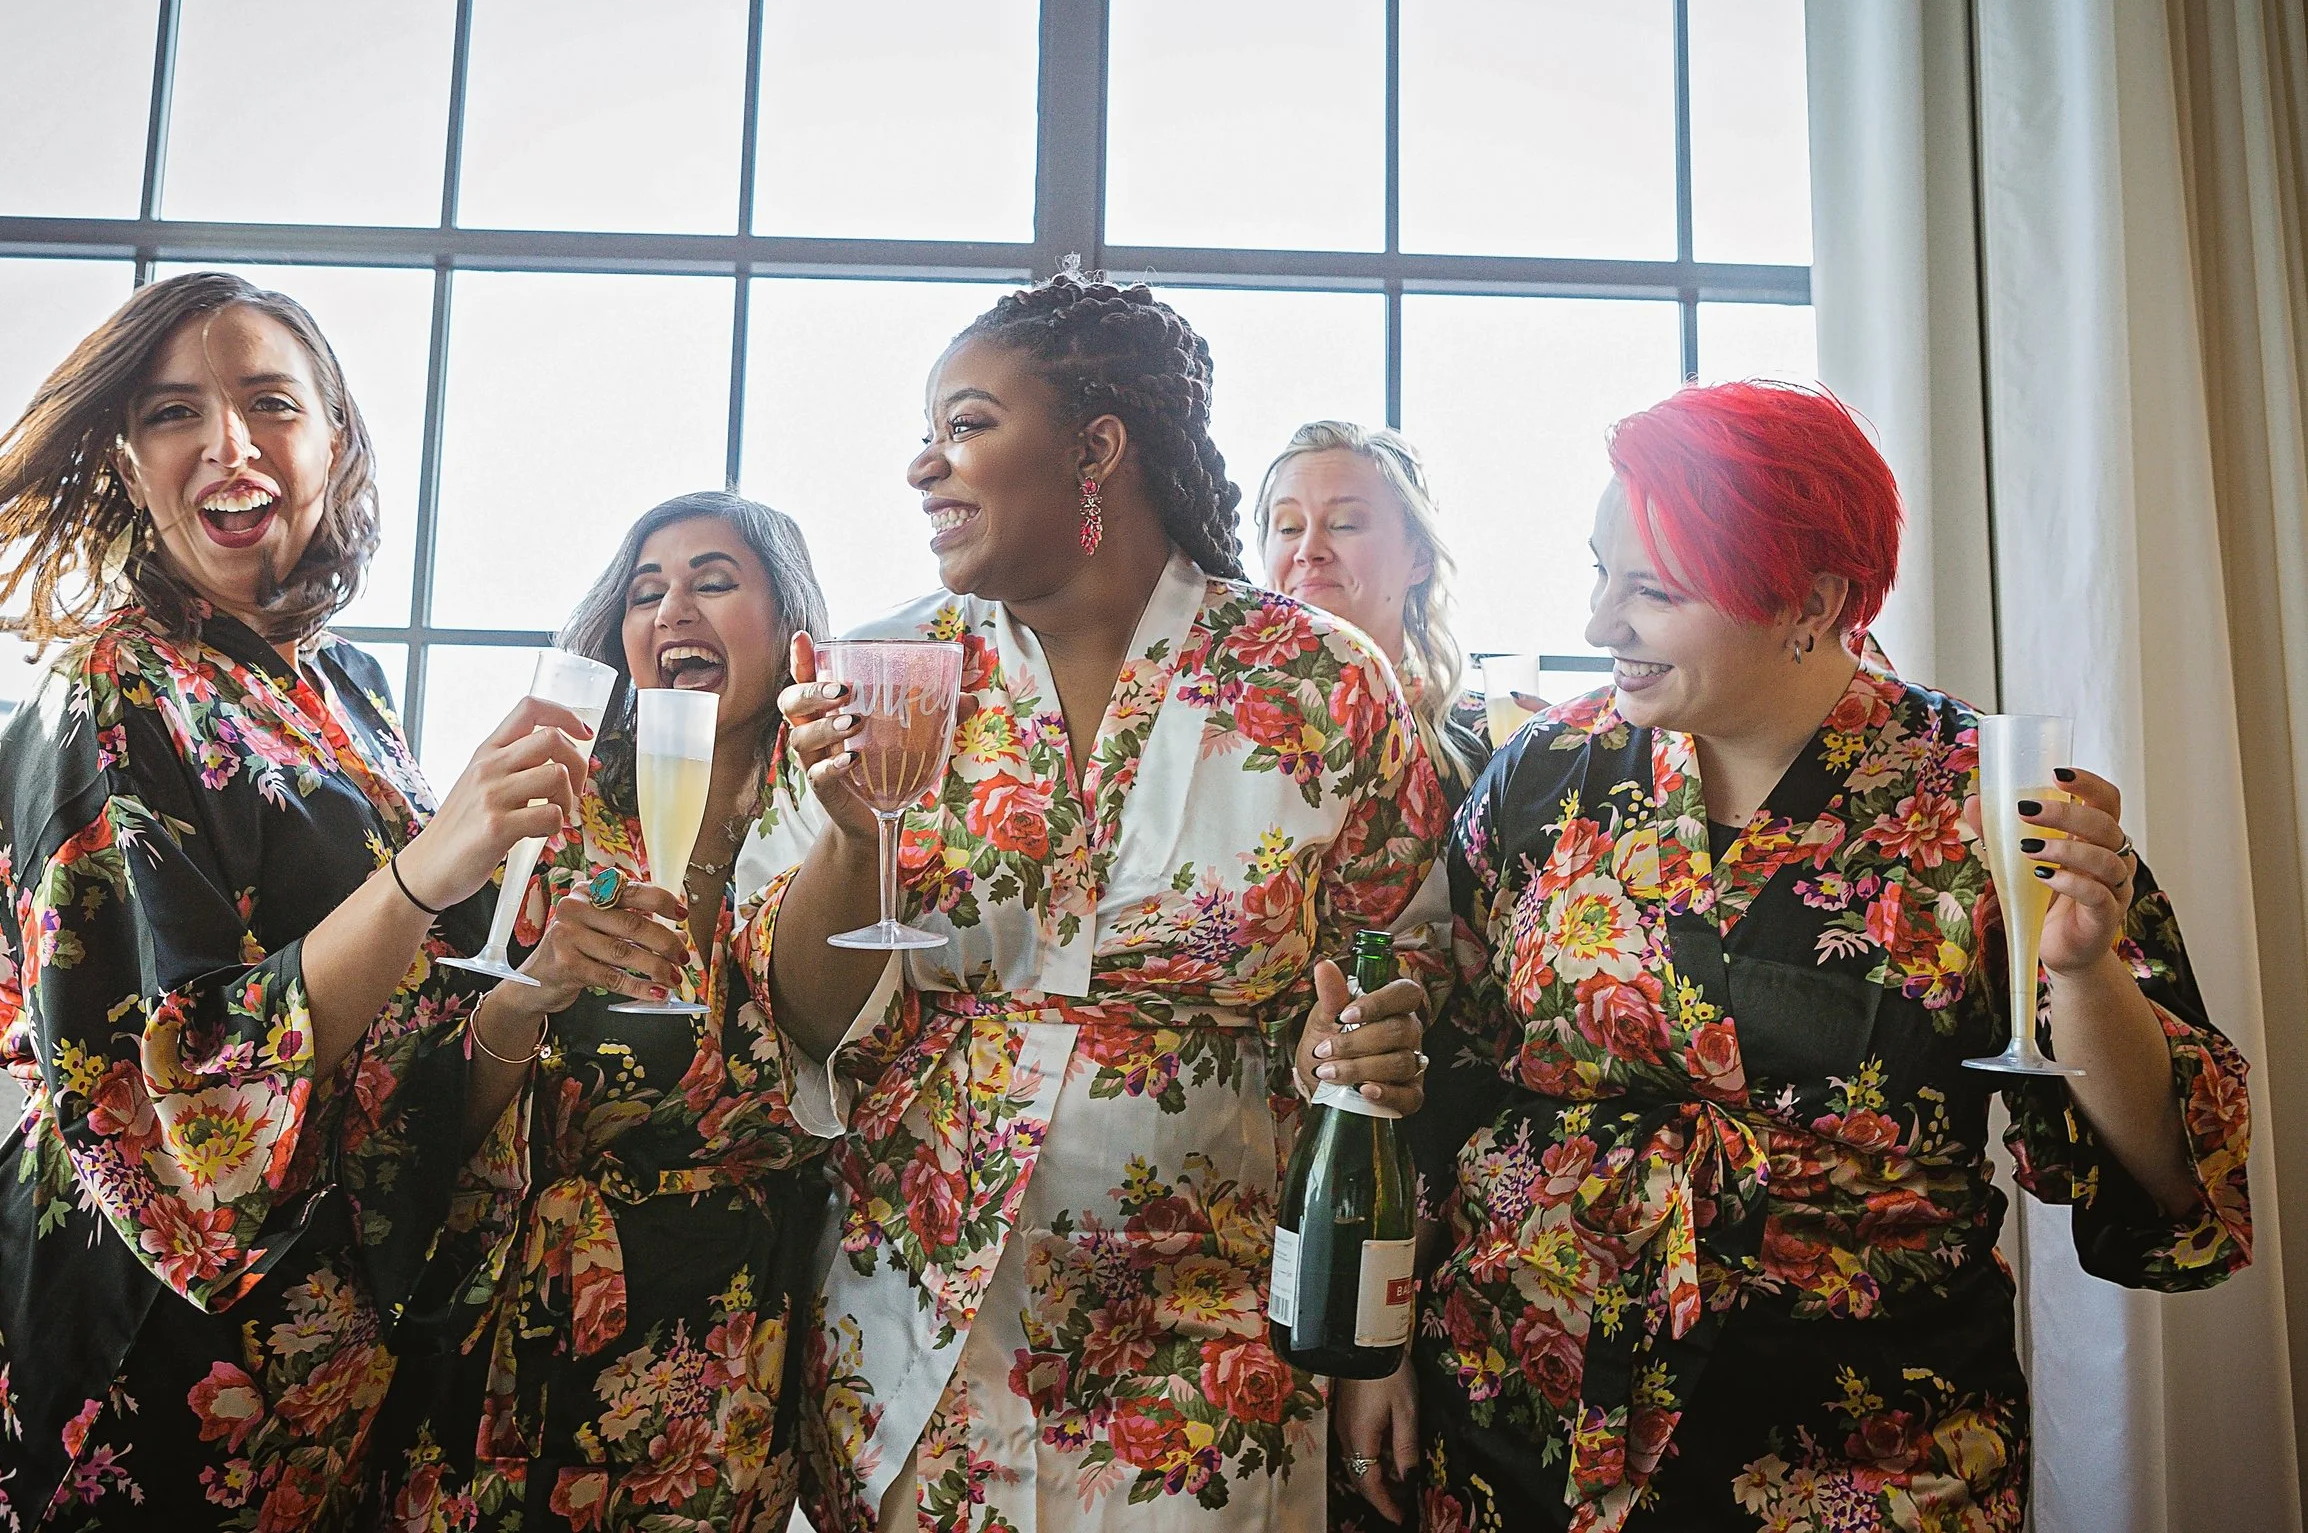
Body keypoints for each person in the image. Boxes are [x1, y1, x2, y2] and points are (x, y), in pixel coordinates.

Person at [1407, 381, 2253, 1531]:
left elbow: (2170, 1172)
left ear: (1809, 601)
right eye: (1601, 573)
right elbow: (1441, 1067)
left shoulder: (1981, 799)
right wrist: (1375, 1352)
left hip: (1859, 1446)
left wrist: (2081, 969)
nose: (1602, 622)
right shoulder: (1546, 769)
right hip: (1519, 1412)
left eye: (1652, 590)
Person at [0, 273, 594, 1530]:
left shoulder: (344, 683)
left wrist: (534, 974)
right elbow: (171, 1086)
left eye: (272, 402)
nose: (229, 444)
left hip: (316, 1381)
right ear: (126, 459)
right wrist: (429, 866)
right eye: (173, 412)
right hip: (132, 1366)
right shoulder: (106, 694)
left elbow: (403, 1020)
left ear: (336, 441)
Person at [749, 271, 1453, 1533]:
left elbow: (1403, 970)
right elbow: (797, 1016)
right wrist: (853, 838)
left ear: (1097, 447)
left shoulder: (1319, 682)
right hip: (922, 1323)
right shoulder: (878, 671)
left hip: (1210, 1339)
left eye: (966, 424)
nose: (922, 463)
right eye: (926, 431)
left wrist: (1361, 1037)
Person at [369, 493, 839, 1532]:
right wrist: (531, 992)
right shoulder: (552, 816)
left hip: (731, 1354)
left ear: (792, 628)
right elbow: (424, 1109)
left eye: (714, 581)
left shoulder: (842, 824)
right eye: (645, 591)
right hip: (524, 1331)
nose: (672, 609)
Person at [1257, 420, 1493, 807]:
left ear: (1419, 559)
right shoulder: (1219, 728)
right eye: (1289, 528)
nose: (1308, 550)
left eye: (1344, 524)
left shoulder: (1491, 743)